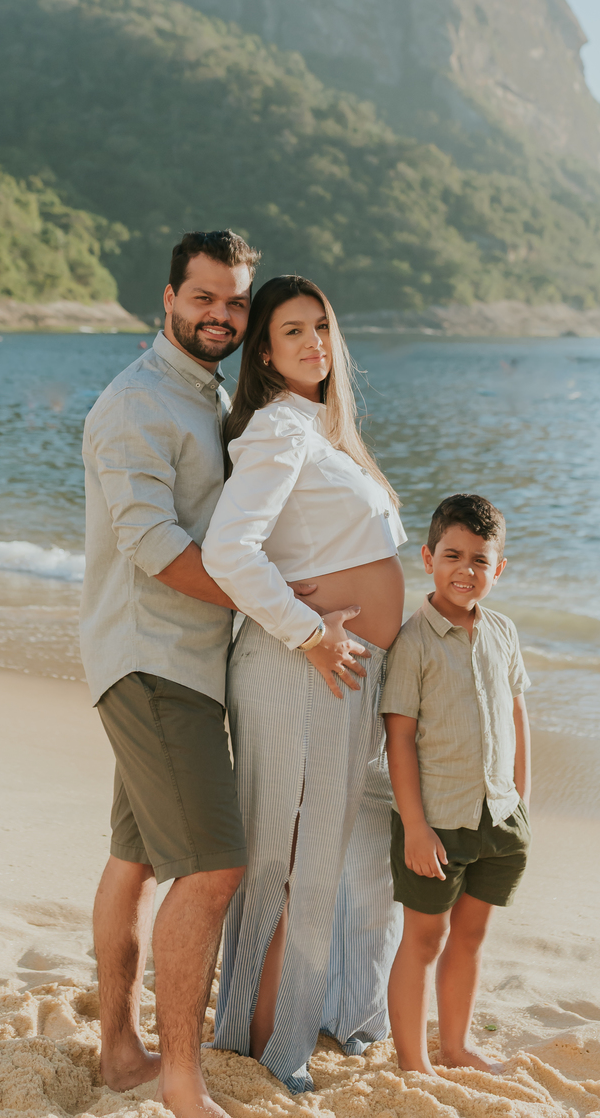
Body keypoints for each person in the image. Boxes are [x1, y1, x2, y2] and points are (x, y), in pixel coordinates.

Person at [80, 229, 280, 1118]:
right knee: (213, 869)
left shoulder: (209, 396)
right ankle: (182, 1084)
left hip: (181, 663)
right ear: (168, 299)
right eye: (204, 298)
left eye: (235, 302)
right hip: (153, 661)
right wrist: (278, 608)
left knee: (134, 861)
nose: (221, 316)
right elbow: (154, 545)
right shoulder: (136, 404)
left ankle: (122, 1053)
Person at [201, 274, 407, 1095]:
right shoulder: (278, 430)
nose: (315, 342)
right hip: (303, 669)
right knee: (288, 868)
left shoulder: (322, 432)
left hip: (338, 673)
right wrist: (310, 631)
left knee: (307, 867)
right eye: (293, 331)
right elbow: (228, 550)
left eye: (321, 326)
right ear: (264, 353)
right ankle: (269, 1057)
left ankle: (263, 1046)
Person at [381, 494, 532, 1076]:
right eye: (452, 556)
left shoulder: (503, 632)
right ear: (427, 559)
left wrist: (521, 799)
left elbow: (517, 716)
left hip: (499, 818)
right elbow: (399, 739)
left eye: (479, 560)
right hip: (437, 822)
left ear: (499, 568)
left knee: (470, 938)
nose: (465, 570)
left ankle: (456, 1046)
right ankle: (413, 1061)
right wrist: (415, 827)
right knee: (424, 940)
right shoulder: (413, 642)